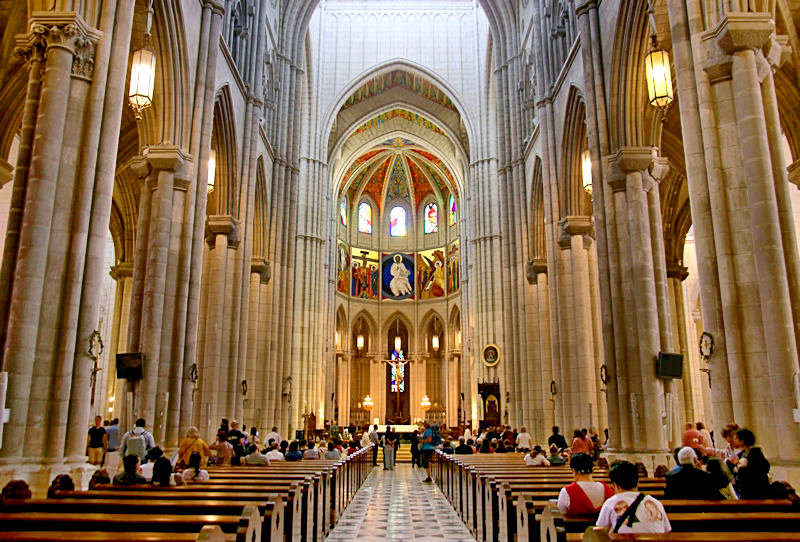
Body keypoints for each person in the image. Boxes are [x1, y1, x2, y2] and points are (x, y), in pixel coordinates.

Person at [596, 461, 671, 534]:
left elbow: (601, 531)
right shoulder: (655, 502)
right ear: (637, 482)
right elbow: (667, 530)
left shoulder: (611, 503)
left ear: (615, 485)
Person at [731, 428, 771, 499]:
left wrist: (742, 468)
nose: (734, 441)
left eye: (736, 438)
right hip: (745, 490)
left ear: (742, 440)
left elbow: (762, 469)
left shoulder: (755, 453)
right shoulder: (742, 454)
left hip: (756, 491)